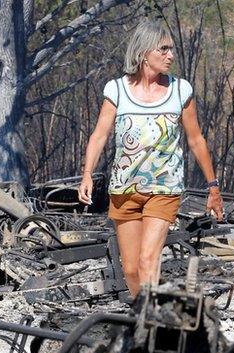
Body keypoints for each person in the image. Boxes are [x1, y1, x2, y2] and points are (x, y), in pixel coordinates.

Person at [78, 18, 223, 299]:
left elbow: (196, 140)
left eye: (171, 49)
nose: (171, 56)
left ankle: (154, 330)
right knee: (131, 270)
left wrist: (213, 186)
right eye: (164, 49)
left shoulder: (181, 91)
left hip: (164, 189)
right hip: (124, 190)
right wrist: (87, 174)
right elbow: (99, 135)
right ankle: (144, 318)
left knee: (148, 262)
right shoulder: (116, 90)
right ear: (144, 52)